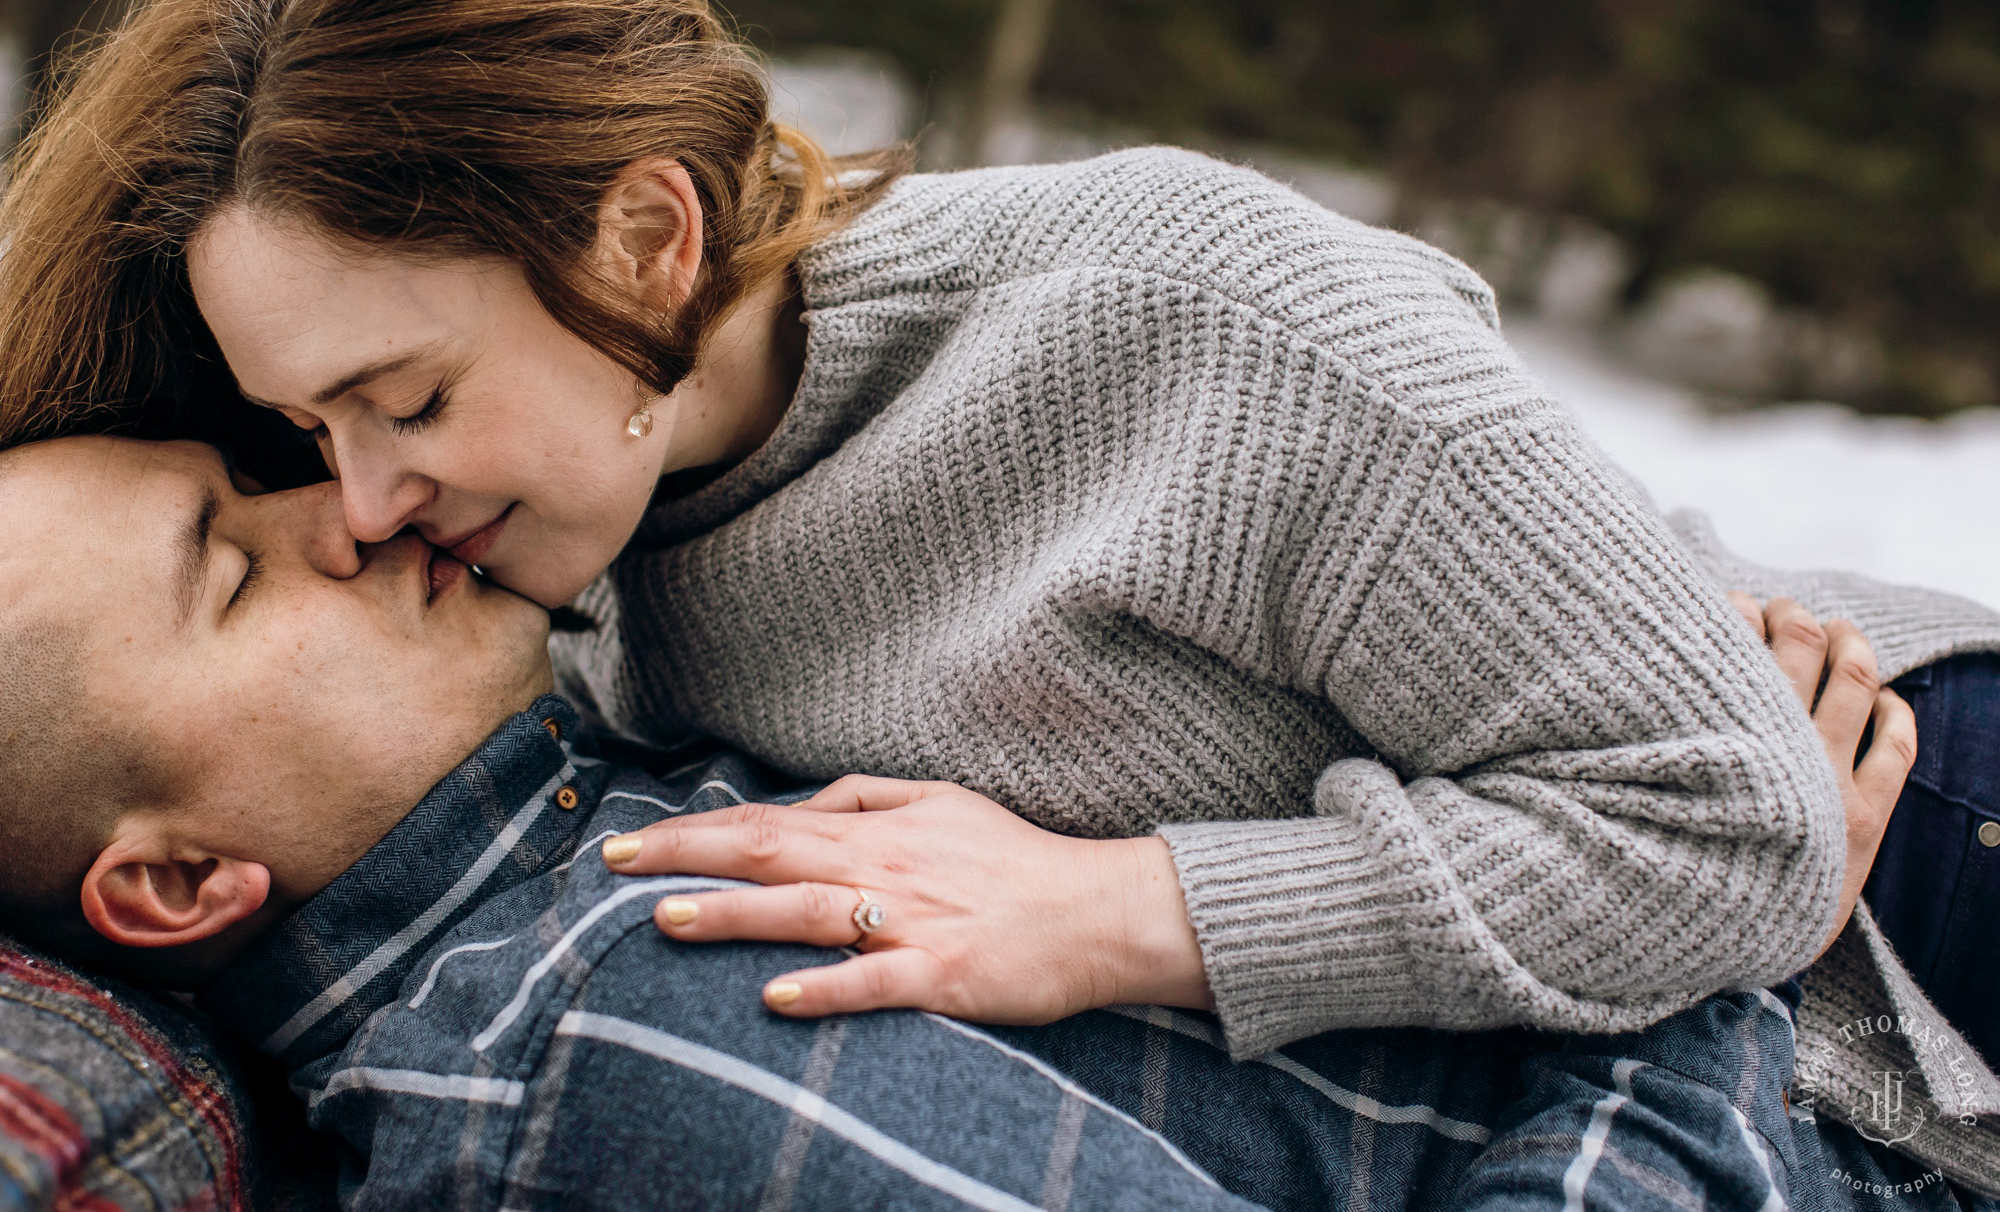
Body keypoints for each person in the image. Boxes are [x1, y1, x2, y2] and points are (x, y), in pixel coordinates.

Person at [0, 432, 1990, 1211]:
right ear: (176, 876)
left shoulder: (588, 821)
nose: (339, 511)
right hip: (1845, 1065)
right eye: (238, 572)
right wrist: (1733, 923)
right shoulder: (616, 1061)